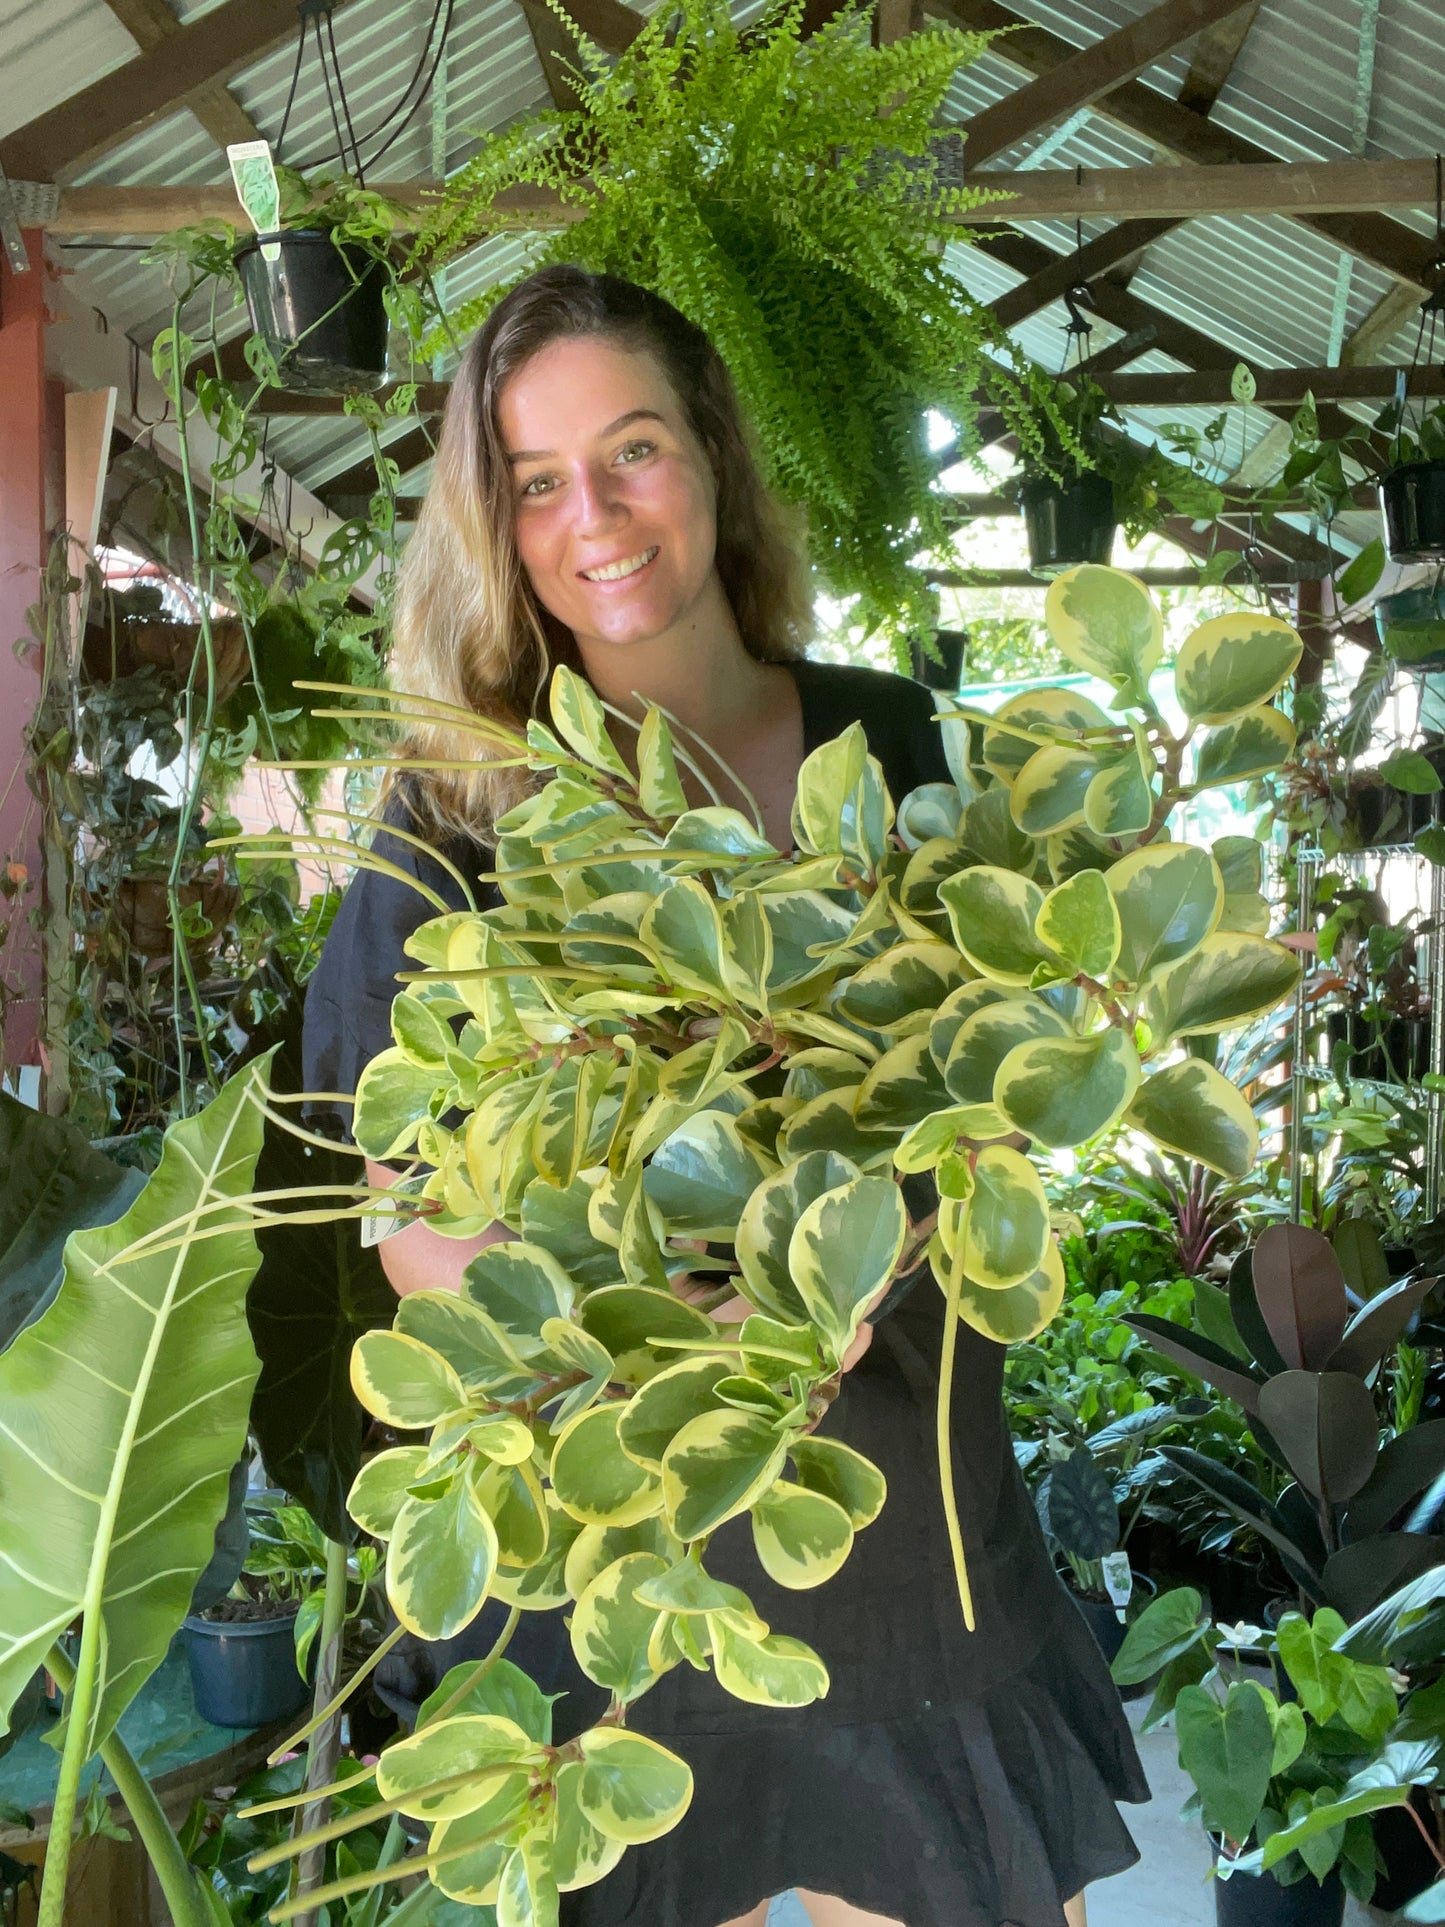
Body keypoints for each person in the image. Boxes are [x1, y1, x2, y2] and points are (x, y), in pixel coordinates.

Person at [303, 264, 1150, 1927]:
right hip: (624, 1564)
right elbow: (409, 1215)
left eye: (633, 451)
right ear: (490, 522)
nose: (594, 518)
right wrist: (675, 1343)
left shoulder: (895, 742)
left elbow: (1015, 1091)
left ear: (714, 460)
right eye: (536, 481)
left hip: (907, 1532)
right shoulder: (452, 818)